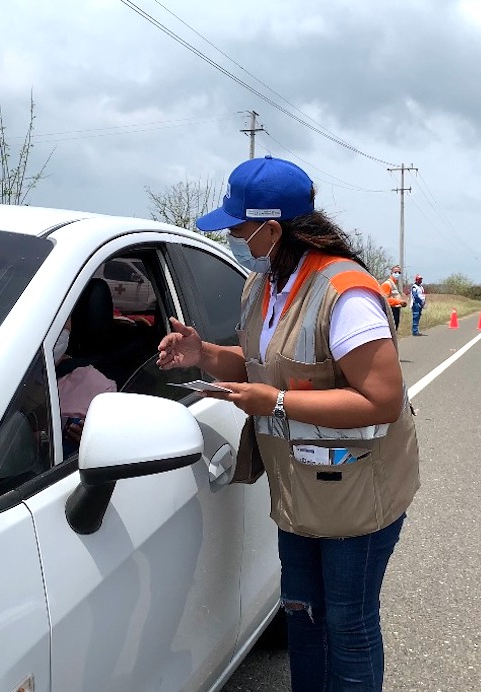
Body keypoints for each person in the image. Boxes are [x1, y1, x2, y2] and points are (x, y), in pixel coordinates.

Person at [157, 156, 420, 692]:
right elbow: (261, 364)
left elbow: (382, 400)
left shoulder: (346, 293)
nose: (232, 235)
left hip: (358, 493)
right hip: (299, 492)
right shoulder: (263, 285)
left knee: (348, 625)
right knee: (302, 614)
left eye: (238, 226)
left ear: (272, 229)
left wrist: (274, 402)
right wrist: (203, 353)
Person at [54, 316, 116, 457]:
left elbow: (109, 452)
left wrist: (92, 445)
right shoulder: (6, 378)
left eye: (61, 317)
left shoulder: (99, 387)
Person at [380, 265, 406, 331]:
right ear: (391, 273)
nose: (397, 274)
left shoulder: (395, 284)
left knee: (395, 329)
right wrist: (399, 302)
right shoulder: (387, 284)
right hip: (390, 310)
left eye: (399, 272)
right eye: (395, 272)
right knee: (391, 331)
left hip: (396, 309)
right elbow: (385, 300)